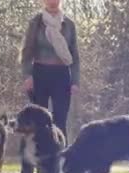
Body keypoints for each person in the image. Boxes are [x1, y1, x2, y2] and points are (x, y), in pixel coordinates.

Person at [20, 0, 80, 139]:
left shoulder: (69, 25)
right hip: (40, 73)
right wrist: (27, 75)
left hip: (61, 74)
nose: (52, 2)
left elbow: (75, 56)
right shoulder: (36, 22)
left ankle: (61, 156)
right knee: (39, 120)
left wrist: (75, 81)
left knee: (60, 120)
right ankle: (40, 157)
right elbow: (27, 52)